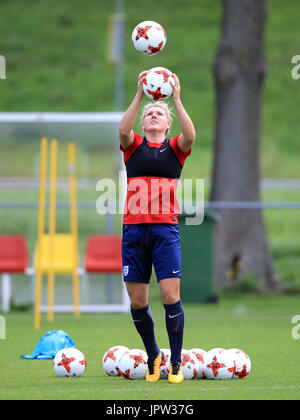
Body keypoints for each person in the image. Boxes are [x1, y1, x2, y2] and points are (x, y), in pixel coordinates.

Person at [119, 70, 195, 383]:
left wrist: (175, 99)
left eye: (159, 114)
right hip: (134, 232)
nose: (153, 114)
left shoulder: (176, 148)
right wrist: (139, 94)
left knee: (168, 296)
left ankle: (175, 361)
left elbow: (191, 136)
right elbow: (122, 131)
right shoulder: (133, 146)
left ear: (167, 124)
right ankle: (154, 356)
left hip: (165, 230)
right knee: (137, 302)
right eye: (150, 113)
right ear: (144, 123)